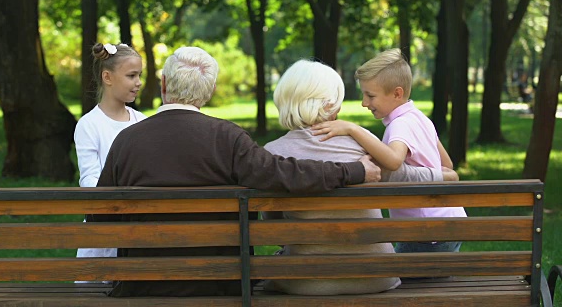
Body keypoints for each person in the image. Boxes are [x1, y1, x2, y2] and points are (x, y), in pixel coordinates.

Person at [87, 46, 382, 297]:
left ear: (164, 84)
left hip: (142, 285)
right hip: (219, 285)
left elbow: (99, 218)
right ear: (210, 91)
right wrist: (354, 171)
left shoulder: (126, 141)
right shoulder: (228, 138)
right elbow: (285, 174)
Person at [261, 59, 459, 295]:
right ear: (330, 104)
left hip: (304, 281)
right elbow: (407, 176)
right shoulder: (360, 145)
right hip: (375, 278)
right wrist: (444, 175)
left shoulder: (271, 154)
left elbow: (273, 224)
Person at [311, 48, 467, 254]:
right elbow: (446, 165)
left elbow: (393, 161)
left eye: (370, 96)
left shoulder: (400, 125)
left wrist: (352, 128)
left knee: (387, 277)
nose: (364, 103)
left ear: (397, 93)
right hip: (449, 223)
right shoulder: (420, 118)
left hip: (425, 232)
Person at [74, 42, 146, 262]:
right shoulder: (89, 125)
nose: (139, 82)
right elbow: (89, 181)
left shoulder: (142, 122)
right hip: (103, 233)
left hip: (137, 231)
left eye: (139, 75)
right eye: (131, 76)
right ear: (108, 77)